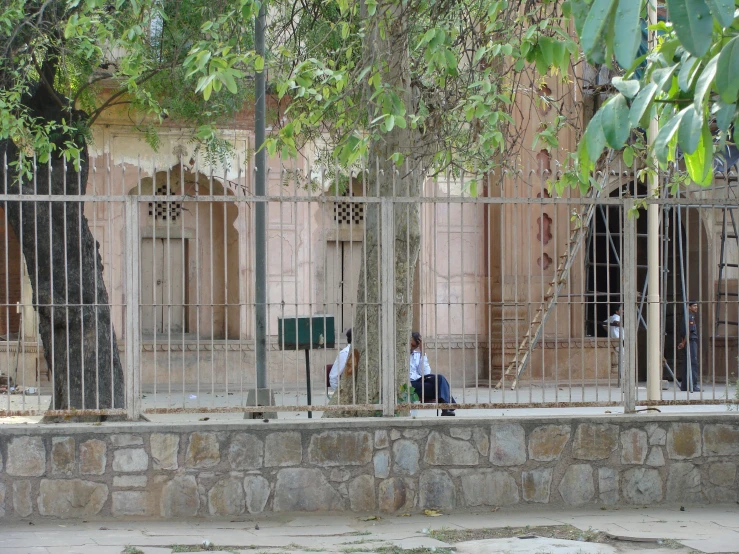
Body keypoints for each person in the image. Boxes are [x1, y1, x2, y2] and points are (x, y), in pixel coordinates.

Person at [409, 332, 457, 416]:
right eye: (410, 345)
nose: (411, 348)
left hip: (420, 382)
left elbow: (426, 373)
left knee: (440, 379)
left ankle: (445, 408)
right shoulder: (398, 355)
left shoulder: (417, 355)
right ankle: (447, 407)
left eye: (414, 346)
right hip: (409, 383)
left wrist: (422, 353)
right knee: (439, 388)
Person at [678, 301, 701, 392]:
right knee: (693, 363)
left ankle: (684, 386)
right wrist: (683, 343)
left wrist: (683, 342)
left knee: (686, 363)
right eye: (694, 306)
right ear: (689, 307)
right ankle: (693, 385)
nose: (696, 308)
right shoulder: (690, 317)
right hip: (690, 341)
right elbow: (689, 331)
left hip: (687, 341)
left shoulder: (685, 317)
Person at [603, 307, 623, 382]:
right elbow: (616, 322)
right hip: (619, 340)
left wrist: (610, 332)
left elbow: (604, 324)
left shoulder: (611, 317)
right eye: (621, 309)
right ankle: (622, 377)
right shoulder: (617, 317)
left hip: (614, 339)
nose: (623, 311)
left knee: (618, 357)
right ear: (617, 311)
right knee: (622, 359)